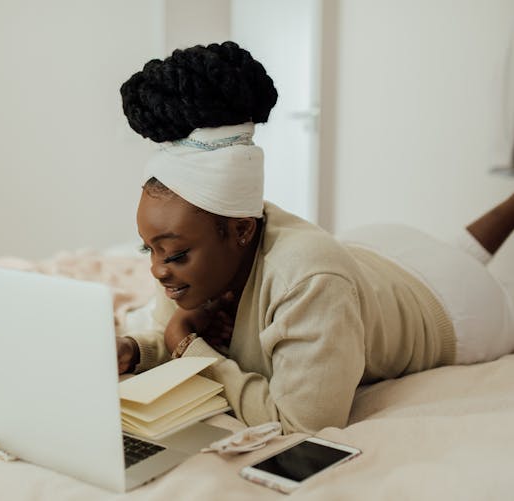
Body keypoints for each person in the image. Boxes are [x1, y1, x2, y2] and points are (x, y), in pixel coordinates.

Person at [114, 41, 514, 434]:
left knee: (466, 263)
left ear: (241, 230)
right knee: (457, 247)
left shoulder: (308, 278)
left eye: (175, 255)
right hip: (374, 253)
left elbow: (303, 421)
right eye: (149, 250)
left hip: (452, 307)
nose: (157, 270)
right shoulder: (194, 255)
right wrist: (135, 350)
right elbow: (169, 332)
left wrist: (191, 350)